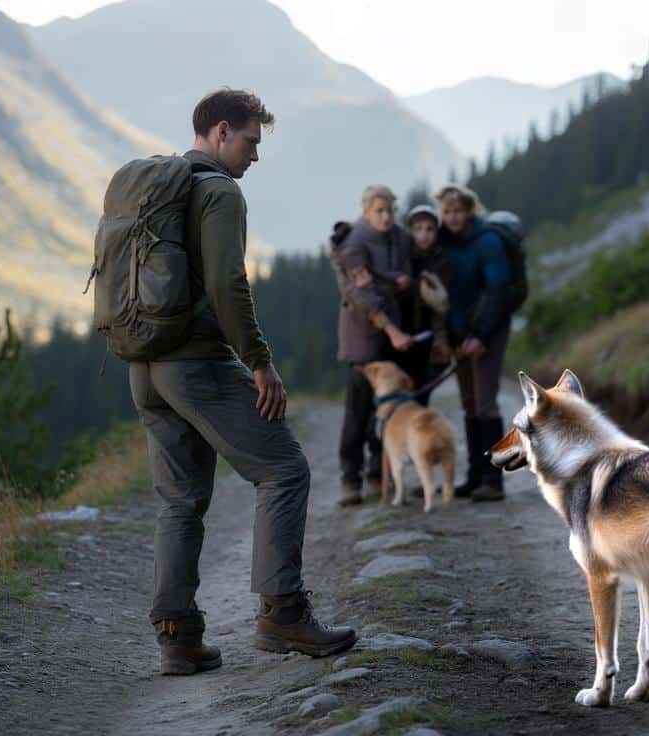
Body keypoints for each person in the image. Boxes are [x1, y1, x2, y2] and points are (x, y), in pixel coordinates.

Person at [129, 89, 356, 676]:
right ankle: (282, 612)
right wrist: (259, 361)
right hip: (196, 360)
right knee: (283, 469)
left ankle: (178, 637)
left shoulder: (162, 186)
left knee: (180, 499)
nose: (255, 155)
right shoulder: (217, 192)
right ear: (223, 131)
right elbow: (229, 285)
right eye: (252, 141)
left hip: (145, 364)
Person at [329, 185, 414, 507]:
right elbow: (359, 295)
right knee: (359, 410)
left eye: (390, 210)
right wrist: (392, 329)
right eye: (379, 211)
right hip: (362, 339)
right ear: (366, 212)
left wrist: (395, 279)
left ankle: (380, 474)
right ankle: (350, 478)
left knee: (388, 410)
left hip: (394, 335)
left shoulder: (399, 237)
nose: (386, 217)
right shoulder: (353, 244)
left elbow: (406, 273)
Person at [435, 185, 513, 502]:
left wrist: (480, 336)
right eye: (447, 212)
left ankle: (494, 479)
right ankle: (475, 475)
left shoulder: (488, 241)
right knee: (468, 402)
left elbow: (498, 291)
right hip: (459, 333)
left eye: (457, 211)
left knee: (485, 403)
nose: (452, 217)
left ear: (469, 211)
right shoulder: (443, 243)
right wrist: (454, 337)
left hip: (488, 332)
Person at [396, 203, 455, 406]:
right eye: (418, 229)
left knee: (420, 396)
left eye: (429, 229)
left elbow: (442, 306)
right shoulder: (401, 258)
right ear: (410, 231)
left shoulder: (443, 261)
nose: (424, 235)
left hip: (428, 338)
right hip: (400, 337)